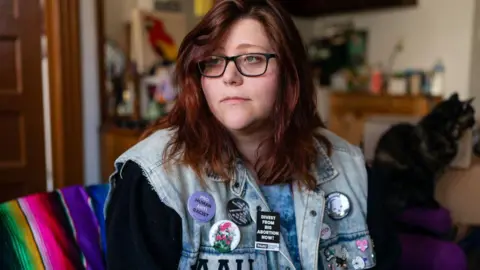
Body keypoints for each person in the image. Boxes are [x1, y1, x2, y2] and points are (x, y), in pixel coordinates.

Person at [105, 0, 401, 269]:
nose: (229, 76)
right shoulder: (153, 178)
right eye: (214, 61)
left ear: (289, 73)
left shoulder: (351, 169)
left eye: (251, 59)